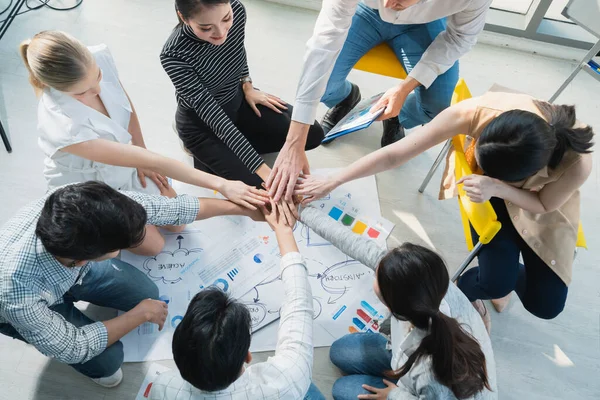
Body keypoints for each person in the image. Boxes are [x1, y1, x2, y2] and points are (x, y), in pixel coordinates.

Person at [295, 90, 594, 327]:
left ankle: (505, 278)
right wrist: (334, 179)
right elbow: (397, 153)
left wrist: (500, 188)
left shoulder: (576, 162)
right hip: (488, 195)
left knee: (546, 306)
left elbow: (543, 203)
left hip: (537, 207)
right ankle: (476, 289)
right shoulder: (478, 113)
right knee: (492, 281)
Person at [20, 30, 269, 255]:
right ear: (55, 88)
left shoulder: (96, 58)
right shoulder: (64, 128)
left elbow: (125, 108)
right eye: (82, 92)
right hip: (90, 187)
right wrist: (223, 185)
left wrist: (139, 150)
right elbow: (154, 161)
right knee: (154, 247)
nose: (97, 90)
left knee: (178, 223)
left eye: (97, 77)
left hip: (126, 159)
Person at [0, 181, 263, 388]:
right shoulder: (16, 294)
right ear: (88, 256)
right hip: (27, 301)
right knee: (109, 364)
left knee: (147, 292)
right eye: (121, 247)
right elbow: (73, 346)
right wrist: (141, 314)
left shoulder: (81, 204)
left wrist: (242, 208)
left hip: (71, 269)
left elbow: (172, 209)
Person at [267, 0, 492, 201]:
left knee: (438, 108)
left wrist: (405, 88)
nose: (386, 3)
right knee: (324, 86)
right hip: (364, 12)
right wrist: (294, 141)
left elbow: (459, 37)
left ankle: (397, 113)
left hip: (425, 24)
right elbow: (324, 43)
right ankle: (346, 98)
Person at [297, 206, 496, 399]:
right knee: (340, 352)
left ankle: (398, 380)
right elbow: (359, 246)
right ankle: (397, 371)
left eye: (378, 278)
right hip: (409, 357)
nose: (376, 265)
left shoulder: (430, 373)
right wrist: (301, 211)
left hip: (432, 386)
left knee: (342, 390)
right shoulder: (428, 283)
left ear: (393, 307)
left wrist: (395, 395)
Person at [150, 203, 325, 399]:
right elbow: (299, 306)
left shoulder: (165, 388)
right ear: (247, 356)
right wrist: (283, 231)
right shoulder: (286, 380)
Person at [161, 0, 324, 190]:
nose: (220, 33)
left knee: (312, 134)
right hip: (205, 127)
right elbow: (215, 118)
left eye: (226, 19)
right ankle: (204, 154)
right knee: (263, 189)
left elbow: (236, 49)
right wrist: (263, 170)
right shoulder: (173, 54)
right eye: (206, 28)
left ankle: (227, 155)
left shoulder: (237, 10)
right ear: (183, 17)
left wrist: (248, 86)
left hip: (238, 102)